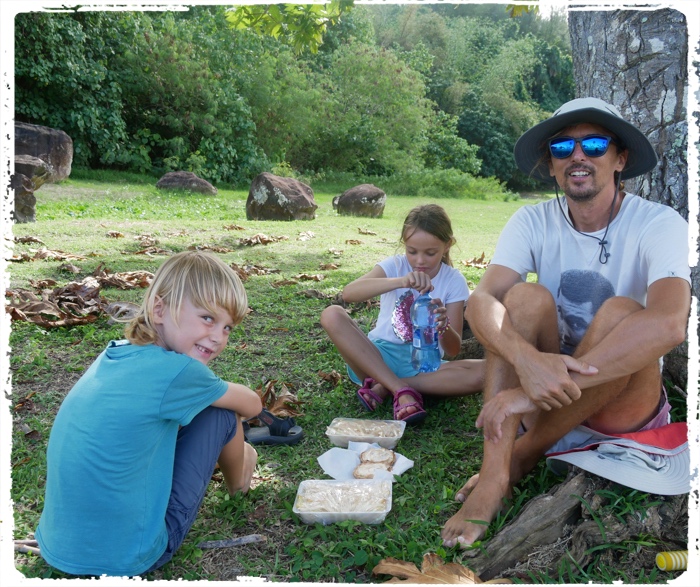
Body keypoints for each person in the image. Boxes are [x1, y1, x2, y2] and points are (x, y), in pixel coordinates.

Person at [441, 97, 691, 548]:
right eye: (562, 147)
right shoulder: (533, 219)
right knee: (523, 298)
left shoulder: (659, 222)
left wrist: (528, 388)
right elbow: (481, 301)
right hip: (543, 395)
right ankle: (495, 473)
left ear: (620, 159)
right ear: (552, 166)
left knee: (622, 312)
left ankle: (525, 455)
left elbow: (671, 324)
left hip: (617, 397)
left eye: (595, 144)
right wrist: (528, 361)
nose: (578, 155)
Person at [35, 251, 263, 576]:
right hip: (131, 555)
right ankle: (239, 484)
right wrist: (218, 396)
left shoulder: (116, 353)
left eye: (228, 327)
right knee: (222, 414)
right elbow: (252, 405)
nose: (217, 337)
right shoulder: (181, 372)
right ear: (159, 309)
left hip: (59, 546)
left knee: (202, 407)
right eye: (208, 318)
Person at [320, 204, 485, 424]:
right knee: (332, 314)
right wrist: (400, 281)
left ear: (447, 245)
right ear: (404, 245)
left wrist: (443, 325)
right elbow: (349, 293)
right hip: (376, 359)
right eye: (412, 251)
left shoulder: (453, 280)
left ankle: (386, 387)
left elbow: (453, 351)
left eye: (430, 253)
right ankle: (400, 389)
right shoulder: (395, 266)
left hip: (423, 367)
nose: (419, 261)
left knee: (486, 371)